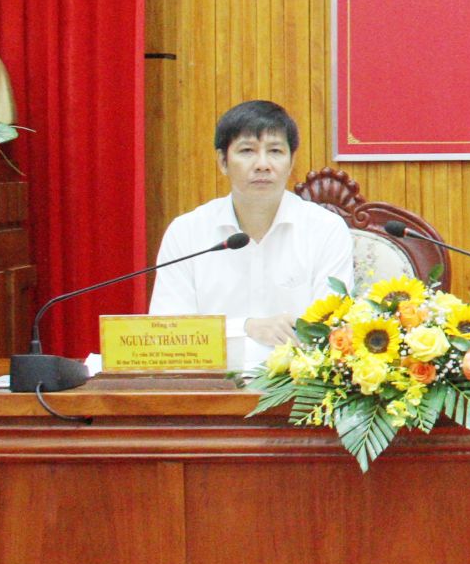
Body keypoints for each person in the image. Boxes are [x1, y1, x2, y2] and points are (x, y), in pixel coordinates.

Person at [149, 100, 353, 369]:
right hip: (209, 386)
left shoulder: (325, 229)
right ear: (223, 162)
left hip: (298, 385)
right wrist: (246, 327)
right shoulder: (187, 232)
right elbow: (168, 333)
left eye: (275, 151)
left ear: (291, 161)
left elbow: (333, 330)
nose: (262, 165)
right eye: (247, 151)